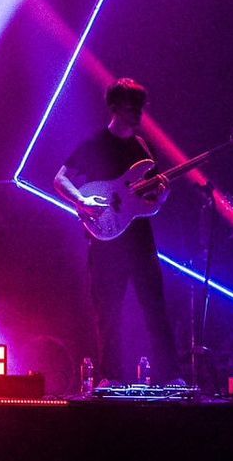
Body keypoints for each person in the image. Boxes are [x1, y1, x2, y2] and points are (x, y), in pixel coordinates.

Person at [53, 78, 179, 385]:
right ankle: (111, 377)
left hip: (139, 237)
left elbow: (150, 203)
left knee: (155, 306)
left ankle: (170, 376)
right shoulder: (95, 143)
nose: (137, 113)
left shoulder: (143, 148)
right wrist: (81, 200)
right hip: (106, 239)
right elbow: (60, 179)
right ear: (114, 107)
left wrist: (162, 197)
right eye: (131, 106)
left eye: (140, 107)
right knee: (108, 310)